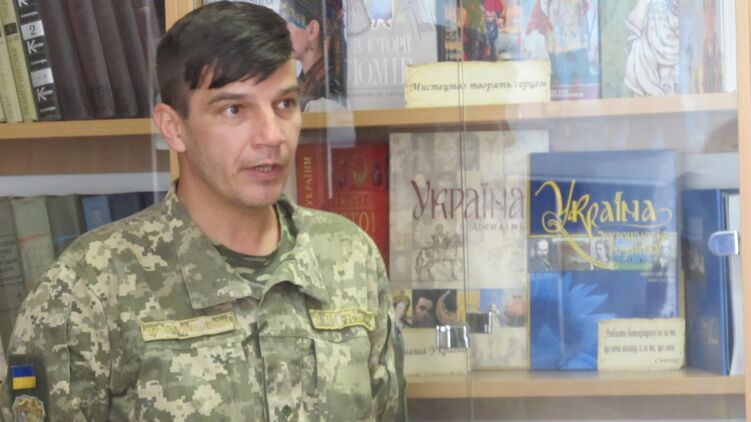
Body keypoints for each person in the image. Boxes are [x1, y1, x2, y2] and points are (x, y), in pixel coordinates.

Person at [0, 3, 401, 421]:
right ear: (174, 128)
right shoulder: (88, 287)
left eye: (284, 104)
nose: (271, 136)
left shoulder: (350, 257)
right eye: (234, 109)